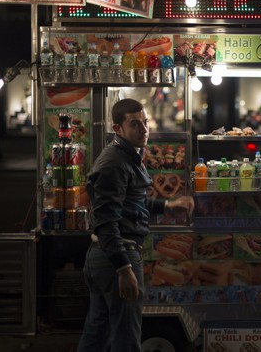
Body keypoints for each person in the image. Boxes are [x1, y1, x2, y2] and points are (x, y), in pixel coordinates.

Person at [77, 99, 194, 352]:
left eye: (145, 122)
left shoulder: (126, 156)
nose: (144, 129)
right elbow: (107, 221)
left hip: (105, 257)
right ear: (117, 129)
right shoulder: (114, 163)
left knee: (98, 335)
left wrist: (167, 206)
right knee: (126, 337)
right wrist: (124, 268)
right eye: (135, 124)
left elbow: (131, 203)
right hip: (116, 256)